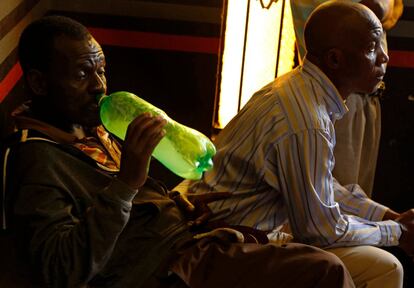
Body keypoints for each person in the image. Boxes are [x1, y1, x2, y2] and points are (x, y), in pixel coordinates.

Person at [0, 15, 354, 288]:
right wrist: (128, 182)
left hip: (189, 239)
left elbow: (124, 206)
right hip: (164, 269)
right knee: (325, 270)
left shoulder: (91, 127)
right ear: (39, 83)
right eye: (81, 74)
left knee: (307, 256)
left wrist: (173, 203)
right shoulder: (35, 160)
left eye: (101, 70)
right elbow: (61, 270)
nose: (98, 86)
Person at [186, 1, 414, 287]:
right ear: (334, 59)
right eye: (371, 47)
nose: (384, 57)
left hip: (247, 234)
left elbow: (322, 185)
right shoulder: (307, 120)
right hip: (225, 246)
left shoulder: (301, 91)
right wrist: (397, 233)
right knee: (364, 266)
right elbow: (320, 230)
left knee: (384, 268)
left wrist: (386, 216)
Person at [290, 0, 403, 198]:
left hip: (363, 96)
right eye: (371, 47)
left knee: (353, 197)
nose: (384, 57)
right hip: (340, 95)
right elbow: (377, 8)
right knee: (333, 197)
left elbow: (390, 11)